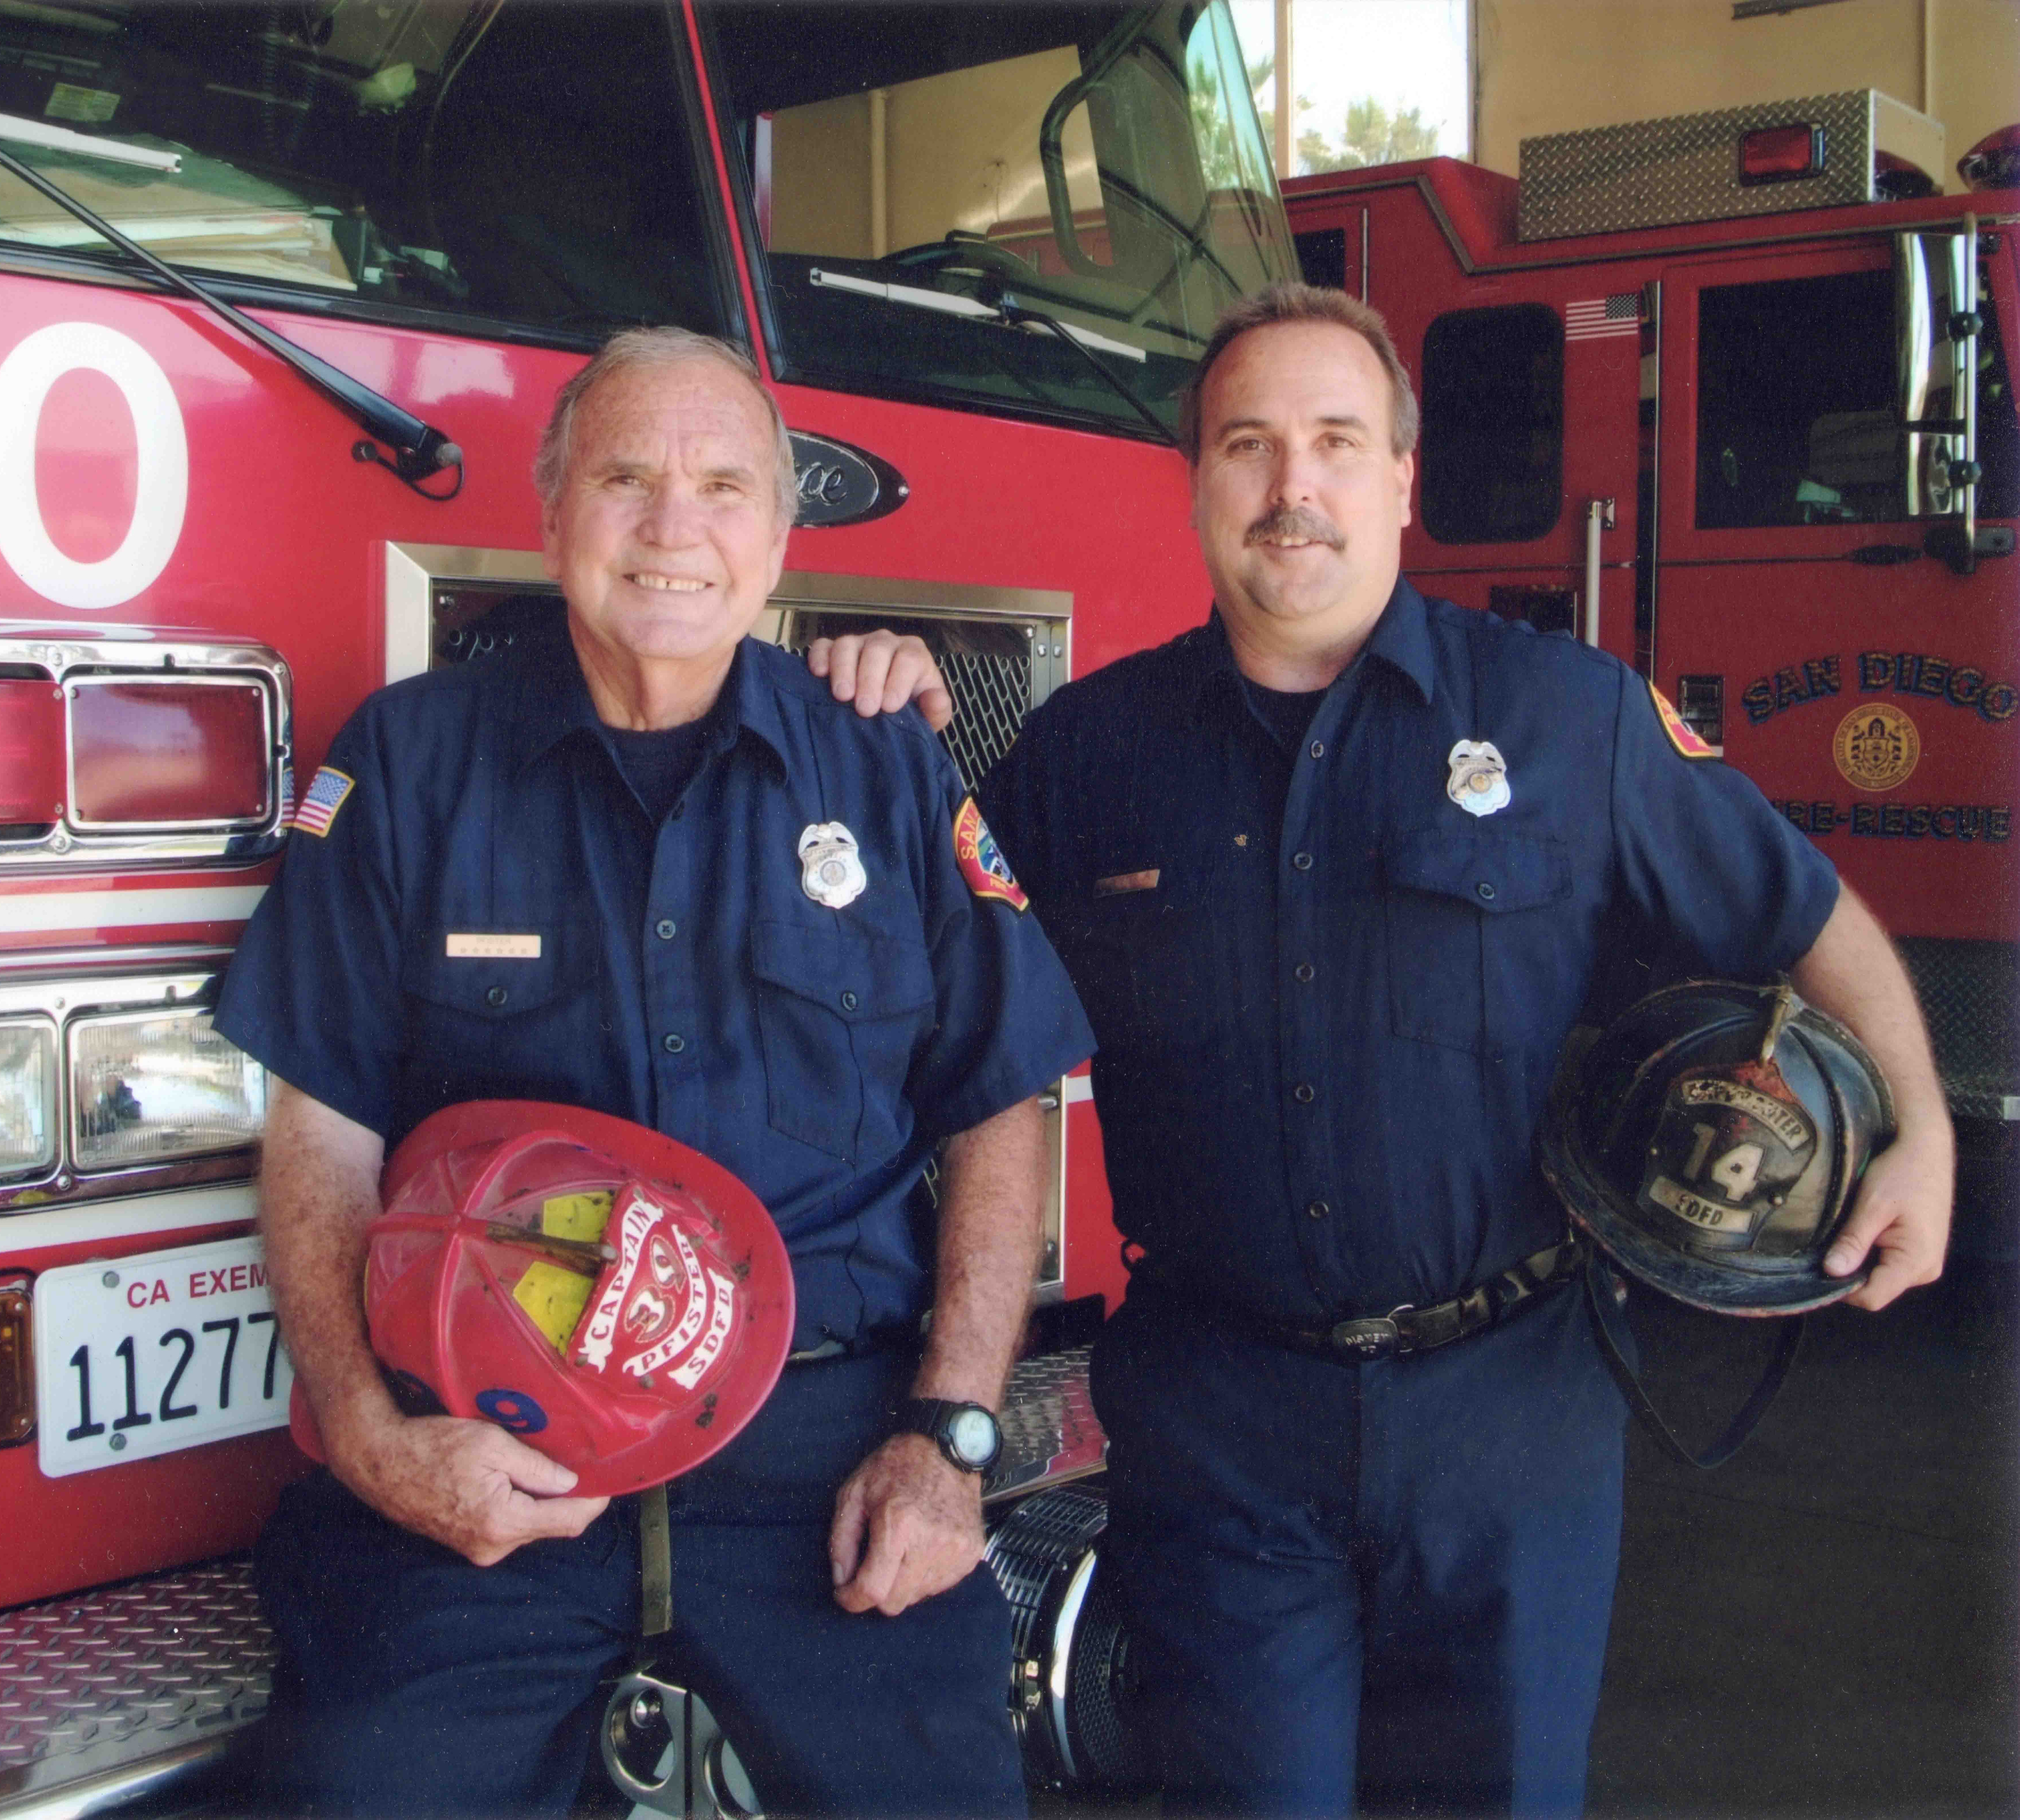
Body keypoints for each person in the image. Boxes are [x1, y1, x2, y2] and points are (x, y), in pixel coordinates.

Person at [812, 281, 1953, 1816]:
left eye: (1338, 442)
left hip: (1512, 1421)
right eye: (1250, 446)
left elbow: (1801, 912)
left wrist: (1924, 1126)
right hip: (1223, 1424)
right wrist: (881, 725)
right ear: (1201, 484)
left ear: (1404, 482)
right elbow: (922, 984)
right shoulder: (1089, 754)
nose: (1296, 487)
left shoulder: (1571, 720)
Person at [214, 325, 1093, 1817]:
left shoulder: (883, 765)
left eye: (722, 484)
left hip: (822, 1446)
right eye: (625, 477)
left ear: (777, 534)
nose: (675, 525)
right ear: (553, 514)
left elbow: (1002, 1100)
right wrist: (371, 1437)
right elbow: (323, 1135)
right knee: (356, 1787)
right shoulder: (412, 765)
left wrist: (950, 1439)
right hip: (497, 1446)